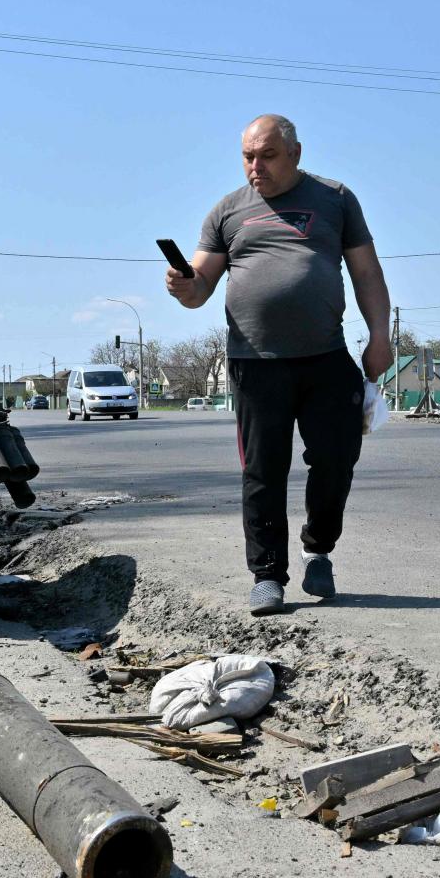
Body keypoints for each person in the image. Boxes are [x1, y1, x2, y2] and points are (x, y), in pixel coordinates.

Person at [165, 114, 392, 615]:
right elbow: (200, 287)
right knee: (263, 471)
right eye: (247, 156)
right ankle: (267, 576)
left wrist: (380, 335)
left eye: (266, 155)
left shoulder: (335, 199)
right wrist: (186, 287)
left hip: (326, 357)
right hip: (255, 363)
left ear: (295, 153)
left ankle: (318, 549)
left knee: (336, 459)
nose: (255, 167)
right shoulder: (227, 212)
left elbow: (366, 272)